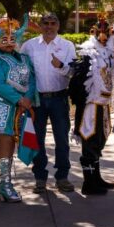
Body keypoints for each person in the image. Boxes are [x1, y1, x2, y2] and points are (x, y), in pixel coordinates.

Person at [0, 15, 39, 202]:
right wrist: (19, 99)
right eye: (5, 39)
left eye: (13, 39)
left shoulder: (25, 59)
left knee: (13, 143)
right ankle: (4, 185)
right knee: (5, 143)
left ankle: (7, 183)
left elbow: (32, 80)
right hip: (2, 109)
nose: (9, 43)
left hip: (22, 109)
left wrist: (27, 99)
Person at [21, 13, 78, 194]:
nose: (49, 27)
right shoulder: (29, 46)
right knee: (37, 140)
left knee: (61, 138)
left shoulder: (67, 46)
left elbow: (73, 73)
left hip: (59, 98)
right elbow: (20, 71)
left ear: (58, 25)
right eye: (45, 23)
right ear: (40, 25)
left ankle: (62, 177)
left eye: (53, 23)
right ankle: (40, 178)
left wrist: (61, 66)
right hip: (36, 100)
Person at [70, 17, 114, 195]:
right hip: (91, 104)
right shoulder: (87, 51)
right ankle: (88, 183)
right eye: (100, 32)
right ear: (94, 33)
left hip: (104, 104)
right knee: (89, 141)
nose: (104, 36)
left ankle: (96, 178)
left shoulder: (109, 52)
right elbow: (78, 77)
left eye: (107, 33)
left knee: (100, 140)